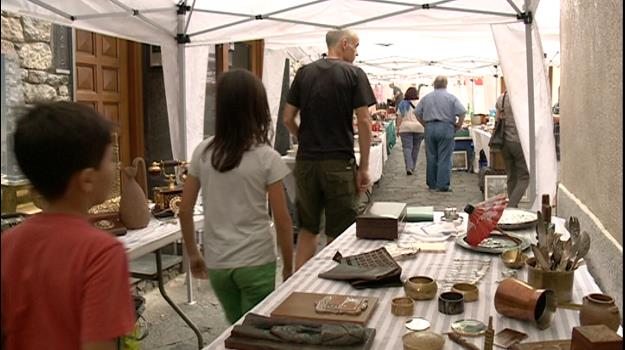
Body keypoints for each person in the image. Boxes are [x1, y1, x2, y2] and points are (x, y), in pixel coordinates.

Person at [1, 102, 135, 349]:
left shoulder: (7, 242)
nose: (115, 166)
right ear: (87, 180)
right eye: (110, 159)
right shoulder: (102, 253)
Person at [179, 69, 294, 324]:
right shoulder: (267, 157)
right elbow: (283, 219)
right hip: (257, 261)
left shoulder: (202, 152)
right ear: (259, 109)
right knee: (255, 331)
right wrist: (288, 265)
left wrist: (193, 253)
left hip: (218, 262)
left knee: (234, 326)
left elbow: (184, 210)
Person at [283, 29, 376, 271]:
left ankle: (296, 287)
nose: (357, 52)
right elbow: (364, 121)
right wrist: (364, 166)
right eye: (356, 46)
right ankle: (334, 289)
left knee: (307, 230)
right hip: (338, 162)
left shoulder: (304, 73)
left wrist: (303, 137)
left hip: (306, 162)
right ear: (344, 44)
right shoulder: (354, 73)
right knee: (339, 233)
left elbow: (287, 118)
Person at [415, 76, 466, 192]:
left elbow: (417, 112)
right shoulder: (451, 97)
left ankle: (432, 183)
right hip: (446, 127)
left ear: (434, 84)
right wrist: (459, 125)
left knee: (431, 156)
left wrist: (424, 124)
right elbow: (462, 112)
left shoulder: (426, 98)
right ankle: (442, 185)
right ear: (446, 84)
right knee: (444, 157)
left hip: (430, 127)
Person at [495, 89, 529, 207]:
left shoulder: (502, 98)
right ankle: (511, 206)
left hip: (504, 141)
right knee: (524, 177)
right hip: (519, 141)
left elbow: (497, 119)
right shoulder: (525, 99)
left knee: (511, 175)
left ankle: (512, 205)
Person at [396, 87, 425, 175]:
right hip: (419, 127)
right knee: (416, 148)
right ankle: (413, 166)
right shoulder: (420, 103)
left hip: (405, 128)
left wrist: (397, 128)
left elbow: (399, 117)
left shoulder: (402, 104)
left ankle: (409, 167)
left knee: (407, 148)